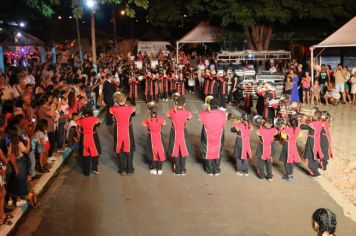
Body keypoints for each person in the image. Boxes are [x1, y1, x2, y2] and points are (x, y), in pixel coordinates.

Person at [109, 93, 136, 176]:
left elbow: (111, 116)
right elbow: (134, 114)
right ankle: (130, 169)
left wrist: (116, 106)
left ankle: (122, 169)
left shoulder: (112, 109)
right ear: (125, 100)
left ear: (117, 101)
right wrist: (126, 106)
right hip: (128, 130)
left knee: (119, 149)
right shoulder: (131, 108)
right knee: (129, 149)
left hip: (118, 130)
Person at [199, 98, 226, 176]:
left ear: (209, 105)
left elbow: (201, 119)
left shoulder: (204, 114)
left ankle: (209, 170)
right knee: (218, 151)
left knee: (208, 151)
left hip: (207, 136)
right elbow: (223, 123)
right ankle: (216, 169)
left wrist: (207, 109)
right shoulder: (222, 114)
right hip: (219, 135)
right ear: (217, 106)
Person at [167, 96, 192, 175]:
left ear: (176, 103)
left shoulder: (172, 112)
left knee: (175, 149)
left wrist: (175, 108)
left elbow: (168, 115)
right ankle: (182, 169)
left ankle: (177, 169)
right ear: (184, 104)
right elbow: (189, 117)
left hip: (174, 132)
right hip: (183, 132)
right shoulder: (187, 113)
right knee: (183, 149)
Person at [6, 126, 30, 207]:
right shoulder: (19, 143)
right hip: (19, 162)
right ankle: (18, 200)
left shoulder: (7, 143)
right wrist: (28, 142)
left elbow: (8, 154)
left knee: (11, 181)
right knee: (19, 182)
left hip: (9, 164)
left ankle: (10, 199)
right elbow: (26, 151)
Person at [77, 107, 102, 176]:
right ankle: (95, 168)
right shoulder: (95, 119)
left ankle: (86, 171)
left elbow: (79, 128)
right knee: (95, 153)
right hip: (93, 138)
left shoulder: (80, 120)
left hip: (84, 138)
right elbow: (98, 125)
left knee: (85, 155)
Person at [142, 106, 166, 175]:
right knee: (160, 151)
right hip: (159, 136)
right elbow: (163, 124)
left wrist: (149, 117)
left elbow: (144, 124)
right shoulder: (161, 120)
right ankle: (160, 168)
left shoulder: (147, 120)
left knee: (152, 151)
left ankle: (154, 168)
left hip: (151, 136)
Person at [300, 110, 323, 177]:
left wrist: (303, 119)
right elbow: (311, 122)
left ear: (315, 116)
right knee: (314, 155)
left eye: (313, 114)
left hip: (311, 141)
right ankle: (317, 168)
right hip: (317, 139)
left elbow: (302, 127)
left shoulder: (312, 124)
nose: (311, 115)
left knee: (309, 157)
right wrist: (309, 119)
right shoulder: (320, 122)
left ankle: (315, 173)